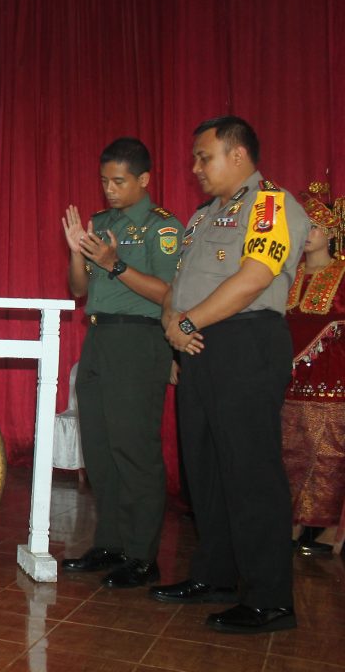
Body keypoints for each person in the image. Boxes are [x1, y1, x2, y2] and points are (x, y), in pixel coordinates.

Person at [150, 116, 308, 634]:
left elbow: (255, 277)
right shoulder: (201, 216)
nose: (195, 167)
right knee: (206, 470)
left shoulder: (269, 205)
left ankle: (269, 598)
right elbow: (180, 282)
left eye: (204, 156)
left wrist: (189, 321)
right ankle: (215, 575)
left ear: (237, 155)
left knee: (250, 470)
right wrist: (175, 327)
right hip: (197, 345)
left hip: (246, 340)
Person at [59, 138, 180, 588]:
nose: (109, 189)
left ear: (143, 180)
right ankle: (109, 543)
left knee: (134, 449)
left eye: (119, 181)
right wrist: (77, 251)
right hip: (99, 336)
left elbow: (168, 293)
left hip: (139, 339)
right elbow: (76, 291)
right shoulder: (102, 223)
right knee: (101, 449)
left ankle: (142, 555)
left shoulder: (161, 227)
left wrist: (114, 264)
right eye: (104, 180)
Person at [281, 184, 345, 556]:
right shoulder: (289, 275)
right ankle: (293, 522)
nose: (306, 235)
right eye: (302, 227)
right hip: (289, 382)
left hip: (331, 381)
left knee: (329, 455)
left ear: (333, 232)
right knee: (290, 452)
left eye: (315, 227)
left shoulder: (341, 274)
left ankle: (326, 527)